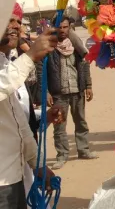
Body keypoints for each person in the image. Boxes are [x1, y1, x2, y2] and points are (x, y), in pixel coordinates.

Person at [1, 14, 61, 209]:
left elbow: (19, 124)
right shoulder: (16, 66)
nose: (16, 26)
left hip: (14, 178)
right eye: (8, 19)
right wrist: (30, 57)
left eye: (18, 21)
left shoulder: (6, 64)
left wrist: (38, 165)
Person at [40, 17, 98, 170]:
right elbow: (42, 72)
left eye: (65, 27)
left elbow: (84, 66)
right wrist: (45, 92)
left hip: (77, 90)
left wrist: (88, 85)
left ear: (69, 27)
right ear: (54, 28)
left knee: (81, 122)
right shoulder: (48, 48)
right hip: (58, 93)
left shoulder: (76, 46)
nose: (62, 30)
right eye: (59, 27)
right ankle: (62, 155)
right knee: (59, 126)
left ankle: (83, 150)